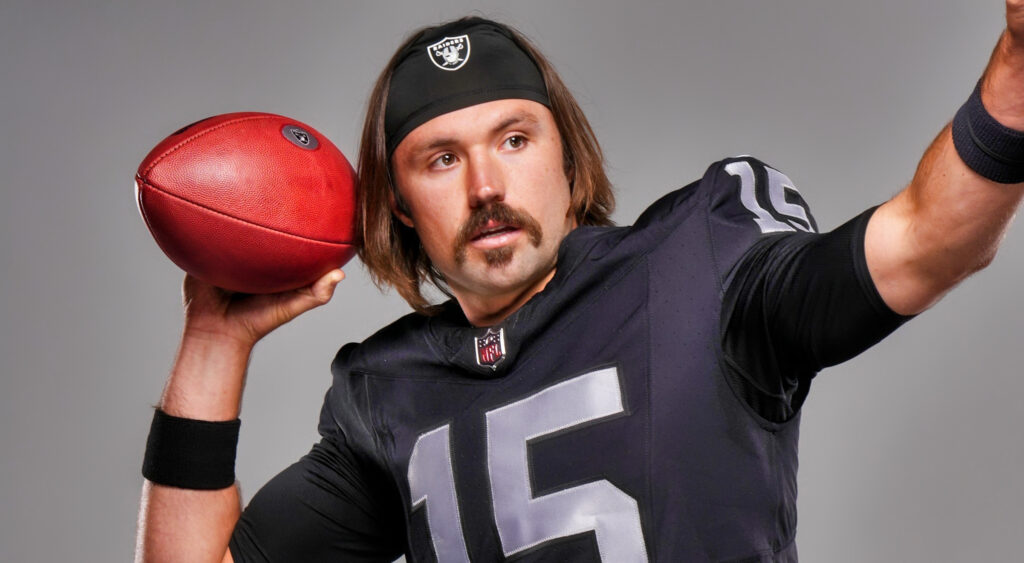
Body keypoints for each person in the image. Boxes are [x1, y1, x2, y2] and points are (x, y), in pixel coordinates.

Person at [135, 9, 1024, 563]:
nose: (486, 186)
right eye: (441, 159)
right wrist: (215, 341)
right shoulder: (385, 394)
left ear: (568, 156)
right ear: (400, 208)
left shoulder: (698, 268)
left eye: (515, 139)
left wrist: (1015, 81)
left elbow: (925, 241)